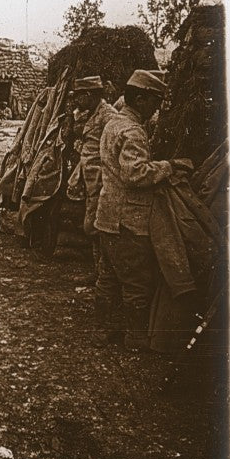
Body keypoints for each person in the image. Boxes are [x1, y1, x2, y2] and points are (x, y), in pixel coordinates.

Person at [95, 69, 190, 351]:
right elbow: (134, 174)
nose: (156, 109)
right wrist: (169, 166)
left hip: (107, 216)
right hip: (128, 220)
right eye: (154, 102)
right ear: (140, 99)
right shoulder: (133, 131)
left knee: (108, 277)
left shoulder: (113, 123)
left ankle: (103, 332)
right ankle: (135, 339)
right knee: (137, 282)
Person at [66, 76, 122, 345]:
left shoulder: (108, 115)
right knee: (92, 227)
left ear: (91, 94)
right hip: (90, 181)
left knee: (98, 228)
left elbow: (110, 151)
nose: (77, 99)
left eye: (80, 95)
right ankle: (98, 270)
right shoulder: (92, 113)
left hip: (102, 183)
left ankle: (102, 274)